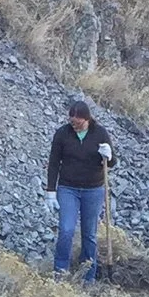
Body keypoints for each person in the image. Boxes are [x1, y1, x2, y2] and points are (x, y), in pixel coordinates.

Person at [45, 100, 114, 281]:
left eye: (78, 123)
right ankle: (60, 273)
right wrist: (50, 191)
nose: (74, 126)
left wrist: (109, 155)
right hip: (68, 188)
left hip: (93, 190)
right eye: (72, 122)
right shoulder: (62, 134)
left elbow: (111, 163)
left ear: (87, 119)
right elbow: (54, 163)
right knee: (66, 230)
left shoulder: (100, 133)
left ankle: (88, 276)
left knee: (89, 234)